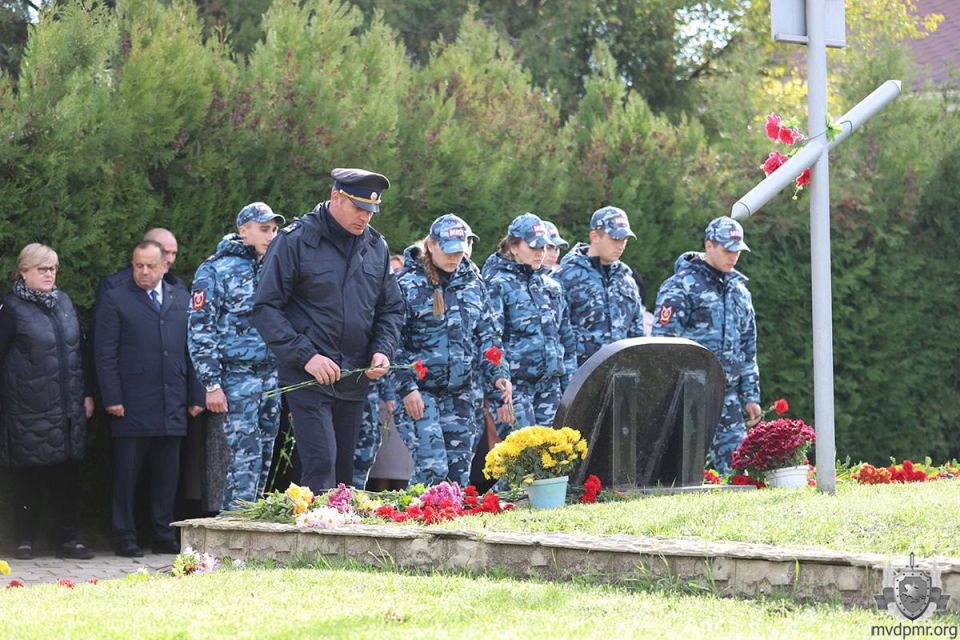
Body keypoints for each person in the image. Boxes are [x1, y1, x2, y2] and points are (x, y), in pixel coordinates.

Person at [253, 168, 404, 492]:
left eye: (371, 211)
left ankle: (332, 524)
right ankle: (315, 525)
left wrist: (382, 349)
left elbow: (390, 308)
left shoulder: (375, 246)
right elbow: (266, 307)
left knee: (343, 472)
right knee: (321, 462)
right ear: (336, 197)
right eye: (359, 208)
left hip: (353, 376)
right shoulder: (295, 241)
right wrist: (306, 356)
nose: (365, 217)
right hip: (309, 375)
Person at [95, 240, 205, 557]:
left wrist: (195, 394)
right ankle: (124, 535)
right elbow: (105, 353)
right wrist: (112, 397)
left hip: (172, 402)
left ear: (164, 267)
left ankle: (163, 534)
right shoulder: (116, 298)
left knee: (167, 476)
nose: (143, 271)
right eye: (138, 265)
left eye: (150, 266)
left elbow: (193, 350)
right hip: (131, 403)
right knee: (127, 475)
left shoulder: (180, 297)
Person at [393, 214, 513, 487]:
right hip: (420, 392)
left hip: (461, 394)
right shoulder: (406, 284)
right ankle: (415, 514)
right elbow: (392, 342)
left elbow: (488, 337)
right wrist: (406, 388)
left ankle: (449, 516)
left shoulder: (473, 283)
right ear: (431, 245)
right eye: (448, 251)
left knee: (458, 476)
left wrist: (498, 375)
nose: (454, 258)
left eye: (460, 251)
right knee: (432, 470)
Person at [0, 244, 95, 560]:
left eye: (53, 268)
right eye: (42, 269)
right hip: (27, 408)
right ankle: (24, 540)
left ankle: (68, 540)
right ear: (23, 271)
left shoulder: (64, 303)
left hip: (67, 408)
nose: (49, 274)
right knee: (28, 475)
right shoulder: (11, 309)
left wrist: (86, 393)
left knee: (67, 475)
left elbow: (80, 352)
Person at [188, 203, 286, 510]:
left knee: (265, 458)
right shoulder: (215, 270)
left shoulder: (275, 268)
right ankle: (232, 529)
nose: (271, 235)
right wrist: (211, 384)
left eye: (274, 229)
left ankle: (252, 527)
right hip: (236, 377)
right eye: (264, 229)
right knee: (242, 461)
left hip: (271, 377)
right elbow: (200, 329)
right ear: (244, 230)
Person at [651, 216, 761, 475]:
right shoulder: (681, 286)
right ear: (709, 245)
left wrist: (751, 396)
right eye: (727, 250)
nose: (734, 256)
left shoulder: (740, 292)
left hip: (727, 396)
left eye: (737, 250)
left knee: (739, 471)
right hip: (688, 394)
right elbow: (663, 346)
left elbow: (747, 348)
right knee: (681, 474)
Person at [482, 213, 577, 429]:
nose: (540, 253)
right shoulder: (496, 284)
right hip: (514, 389)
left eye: (544, 247)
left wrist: (571, 390)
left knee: (555, 449)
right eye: (534, 247)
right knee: (526, 449)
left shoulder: (551, 286)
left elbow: (566, 340)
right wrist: (499, 392)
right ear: (514, 247)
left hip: (551, 388)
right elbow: (491, 341)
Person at [555, 206, 645, 365]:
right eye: (615, 239)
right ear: (595, 236)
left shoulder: (626, 279)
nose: (621, 246)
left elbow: (636, 332)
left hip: (622, 373)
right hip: (580, 373)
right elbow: (554, 333)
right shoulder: (565, 276)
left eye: (624, 240)